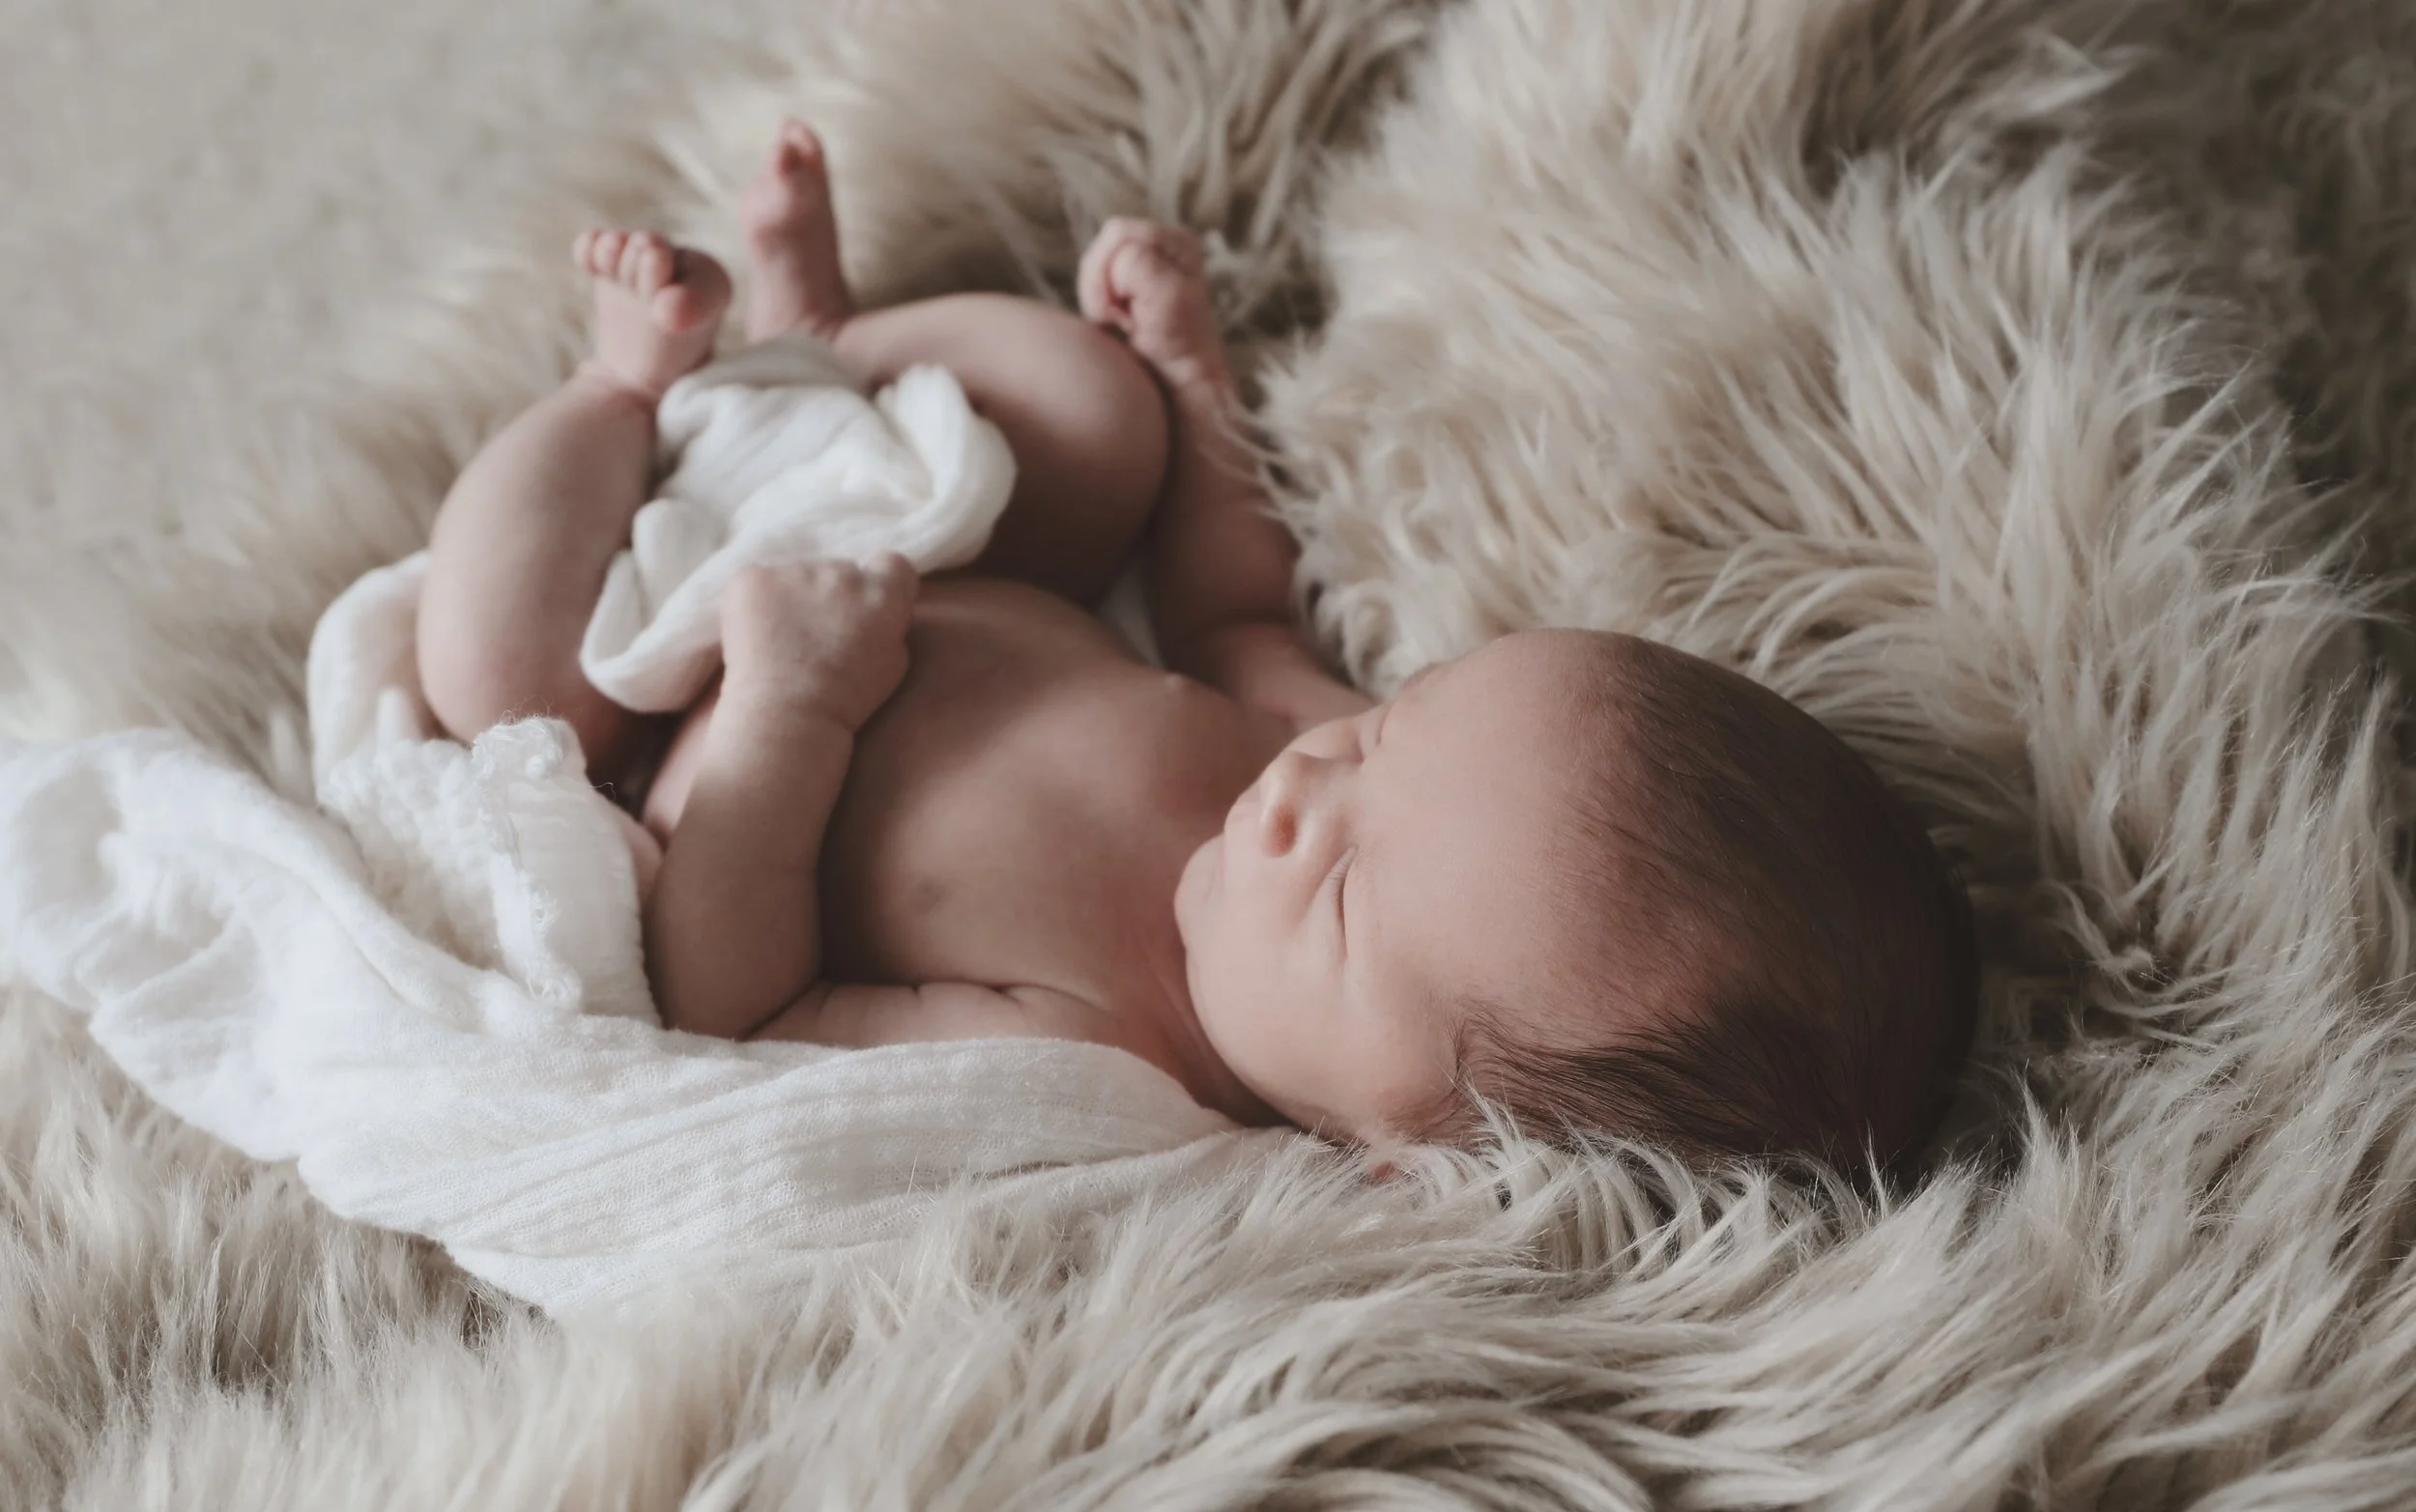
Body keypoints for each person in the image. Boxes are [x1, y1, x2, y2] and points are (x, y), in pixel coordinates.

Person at [417, 121, 1976, 1170]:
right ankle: (810, 354)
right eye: (1396, 720)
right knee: (1091, 414)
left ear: (1407, 1152)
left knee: (486, 671)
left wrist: (787, 711)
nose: (1304, 784)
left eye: (1349, 894)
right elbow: (1233, 609)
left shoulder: (1101, 1064)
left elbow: (729, 1001)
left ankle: (622, 392)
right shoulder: (1315, 769)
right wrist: (1195, 388)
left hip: (675, 679)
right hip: (906, 523)